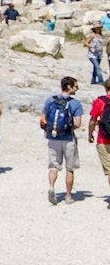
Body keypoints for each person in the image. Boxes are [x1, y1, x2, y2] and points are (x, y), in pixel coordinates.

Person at [41, 76, 85, 204]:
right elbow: (77, 124)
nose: (77, 88)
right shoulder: (75, 103)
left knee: (53, 166)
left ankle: (51, 187)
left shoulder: (50, 100)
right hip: (68, 137)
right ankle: (68, 196)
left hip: (53, 137)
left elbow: (43, 118)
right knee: (70, 168)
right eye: (76, 86)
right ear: (69, 87)